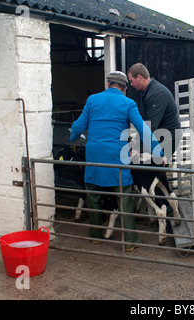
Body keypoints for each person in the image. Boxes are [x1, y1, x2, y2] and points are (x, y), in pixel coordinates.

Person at [70, 71, 166, 252]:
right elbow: (143, 130)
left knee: (93, 196)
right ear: (124, 88)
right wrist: (158, 152)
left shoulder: (92, 100)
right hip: (117, 157)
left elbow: (78, 126)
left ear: (108, 84)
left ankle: (96, 236)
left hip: (94, 155)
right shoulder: (128, 103)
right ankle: (129, 241)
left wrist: (73, 135)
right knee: (124, 199)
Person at [127, 63, 182, 162]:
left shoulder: (156, 94)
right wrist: (136, 141)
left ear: (139, 77)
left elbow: (150, 125)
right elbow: (145, 123)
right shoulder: (148, 92)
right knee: (156, 168)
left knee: (154, 168)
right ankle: (163, 174)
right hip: (160, 135)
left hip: (168, 137)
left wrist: (136, 148)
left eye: (131, 81)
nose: (131, 84)